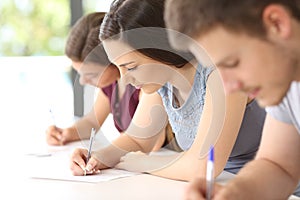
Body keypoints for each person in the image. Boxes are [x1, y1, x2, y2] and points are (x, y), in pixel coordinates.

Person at [70, 0, 265, 181]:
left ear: (161, 47)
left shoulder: (219, 72)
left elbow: (203, 167)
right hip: (223, 188)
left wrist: (143, 163)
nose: (126, 80)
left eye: (130, 67)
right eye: (118, 67)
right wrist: (96, 157)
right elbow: (137, 140)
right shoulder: (162, 81)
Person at [164, 0, 300, 198]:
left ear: (277, 23)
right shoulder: (286, 80)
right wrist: (234, 194)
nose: (228, 88)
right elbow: (278, 166)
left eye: (232, 63)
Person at [46, 12, 167, 151]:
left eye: (92, 75)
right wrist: (66, 133)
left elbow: (145, 141)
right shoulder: (111, 84)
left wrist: (103, 156)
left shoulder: (146, 85)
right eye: (80, 73)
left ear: (114, 60)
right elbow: (92, 121)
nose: (83, 81)